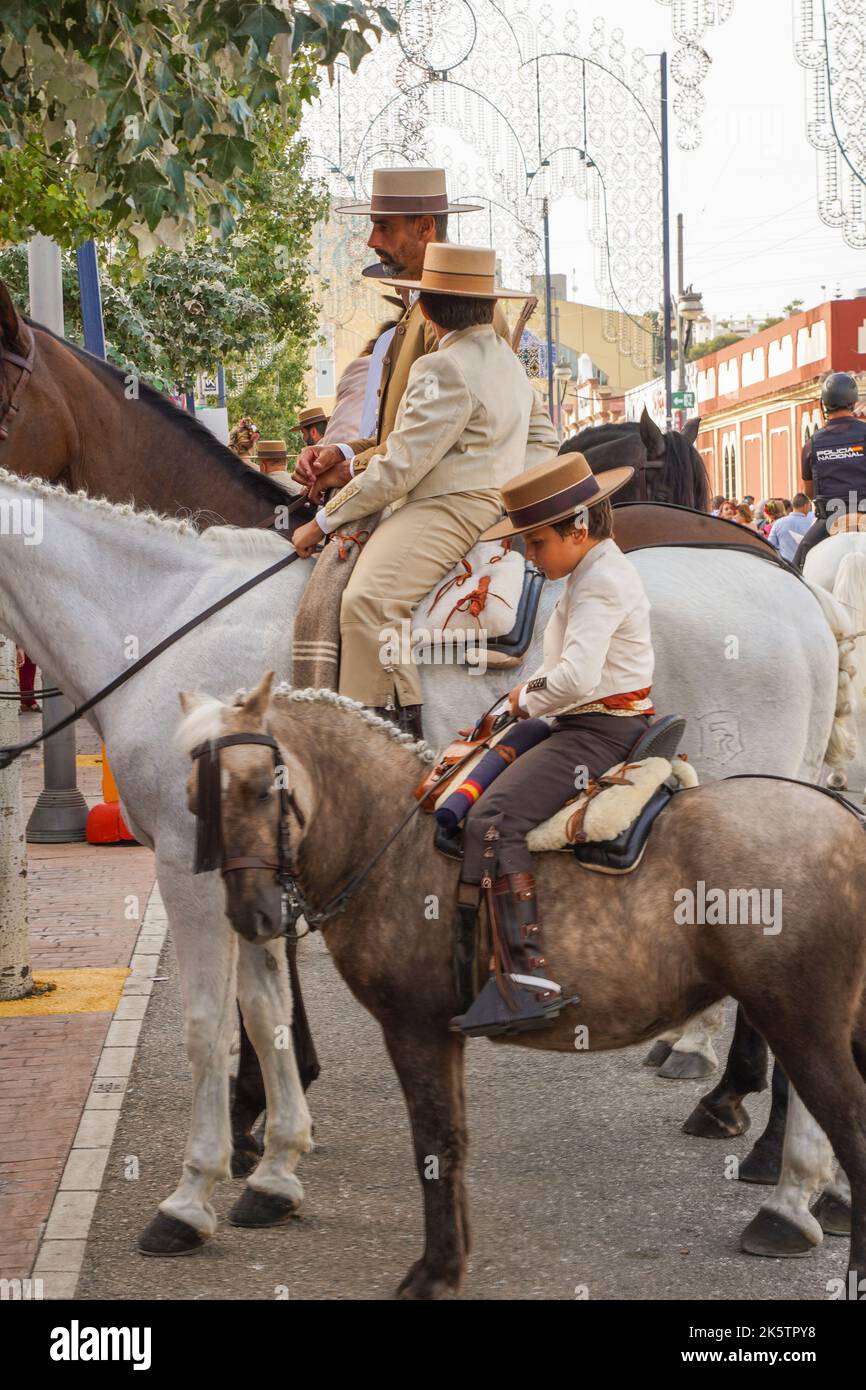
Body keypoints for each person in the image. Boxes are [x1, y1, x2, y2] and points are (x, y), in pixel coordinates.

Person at [291, 243, 556, 740]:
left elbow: (397, 471)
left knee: (368, 602)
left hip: (446, 508)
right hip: (494, 507)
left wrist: (320, 523)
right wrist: (510, 495)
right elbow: (544, 441)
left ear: (428, 308)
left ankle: (385, 739)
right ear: (490, 305)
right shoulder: (505, 359)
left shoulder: (441, 366)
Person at [450, 450, 653, 1037]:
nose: (527, 555)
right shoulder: (589, 572)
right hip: (581, 722)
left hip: (600, 730)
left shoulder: (601, 581)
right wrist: (502, 710)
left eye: (535, 543)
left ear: (579, 529)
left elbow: (575, 679)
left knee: (492, 817)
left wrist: (515, 704)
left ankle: (526, 978)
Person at [294, 166, 555, 499]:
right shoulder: (416, 310)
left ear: (425, 227)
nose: (372, 241)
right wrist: (339, 451)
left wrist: (346, 471)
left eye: (384, 227)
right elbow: (396, 436)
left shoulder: (457, 313)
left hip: (451, 504)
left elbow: (429, 442)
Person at [795, 372, 866, 569]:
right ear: (853, 401)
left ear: (824, 403)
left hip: (829, 521)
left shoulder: (812, 444)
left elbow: (809, 492)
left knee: (796, 568)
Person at [767, 492, 812, 563]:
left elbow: (770, 545)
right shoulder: (812, 522)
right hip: (807, 565)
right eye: (810, 505)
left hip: (786, 566)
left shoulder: (778, 523)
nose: (810, 508)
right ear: (805, 506)